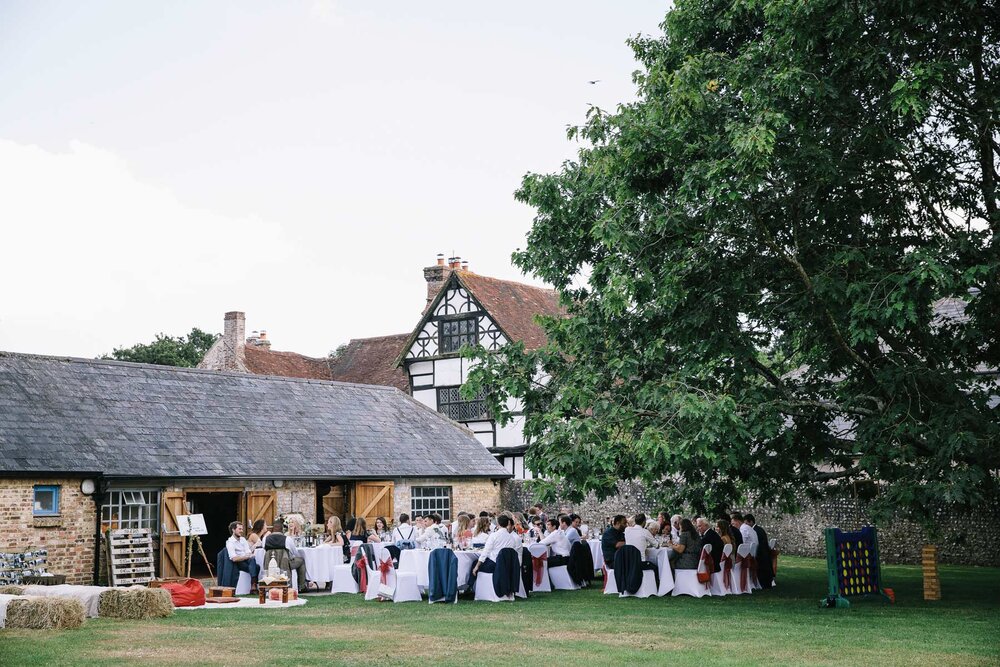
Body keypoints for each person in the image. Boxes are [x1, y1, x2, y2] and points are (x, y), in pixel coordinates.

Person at [263, 519, 312, 593]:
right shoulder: (287, 539)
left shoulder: (265, 539)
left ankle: (268, 587)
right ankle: (302, 586)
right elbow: (295, 553)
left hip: (270, 564)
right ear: (282, 529)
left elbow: (265, 551)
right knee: (301, 560)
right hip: (285, 564)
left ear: (273, 529)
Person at [471, 514, 522, 579]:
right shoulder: (512, 538)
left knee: (474, 563)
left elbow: (485, 552)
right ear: (507, 524)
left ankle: (470, 586)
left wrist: (477, 566)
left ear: (498, 524)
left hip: (494, 564)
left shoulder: (494, 536)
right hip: (507, 565)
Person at [226, 521, 259, 591]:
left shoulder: (243, 540)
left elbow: (248, 552)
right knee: (256, 567)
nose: (242, 531)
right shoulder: (230, 542)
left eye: (242, 529)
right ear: (233, 530)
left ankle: (253, 585)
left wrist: (248, 556)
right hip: (238, 563)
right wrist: (246, 557)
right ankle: (254, 585)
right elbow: (234, 558)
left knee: (254, 563)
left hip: (247, 561)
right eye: (239, 529)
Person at [745, 514, 774, 588]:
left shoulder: (754, 531)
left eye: (746, 523)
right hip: (764, 552)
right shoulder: (759, 529)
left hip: (761, 553)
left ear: (751, 522)